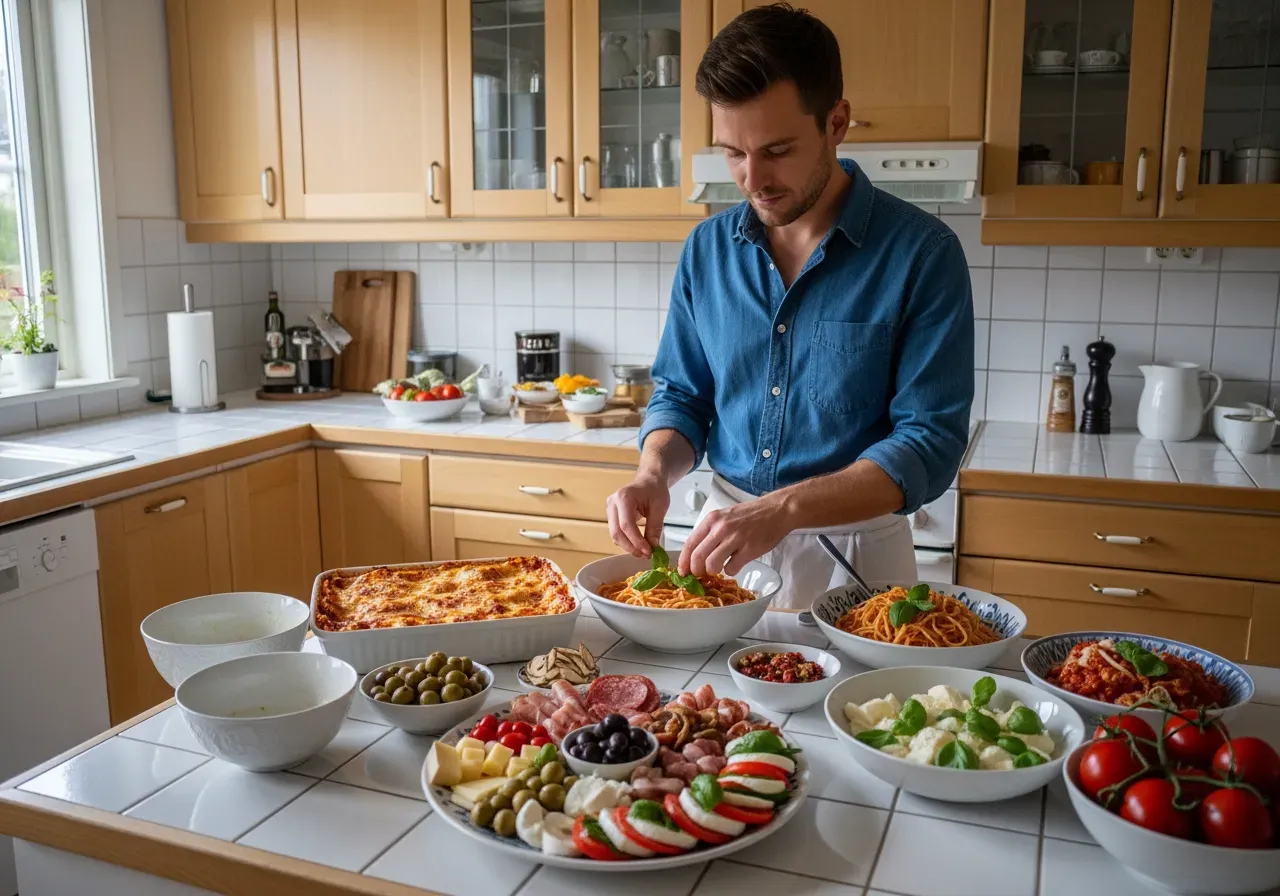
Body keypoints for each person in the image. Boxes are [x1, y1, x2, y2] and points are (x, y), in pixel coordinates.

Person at [605, 2, 974, 609]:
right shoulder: (707, 249)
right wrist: (652, 473)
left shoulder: (923, 254)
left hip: (858, 564)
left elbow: (929, 442)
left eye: (777, 150)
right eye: (733, 152)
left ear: (837, 122)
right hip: (722, 550)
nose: (752, 179)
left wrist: (783, 508)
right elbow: (683, 397)